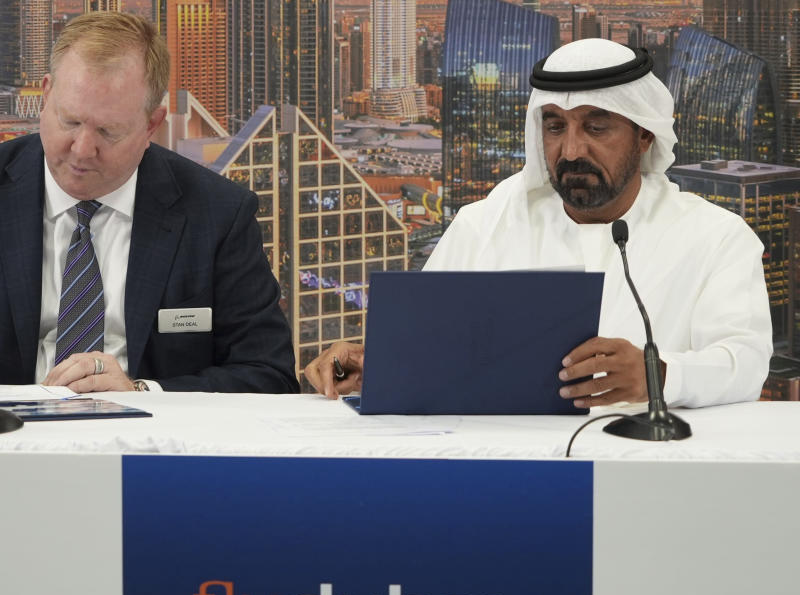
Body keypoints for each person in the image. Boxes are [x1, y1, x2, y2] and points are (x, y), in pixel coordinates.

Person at [305, 38, 772, 409]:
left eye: (596, 126)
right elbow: (430, 349)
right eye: (555, 126)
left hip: (648, 480)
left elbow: (745, 364)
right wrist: (381, 369)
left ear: (644, 134)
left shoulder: (716, 237)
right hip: (507, 477)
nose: (570, 151)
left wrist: (660, 376)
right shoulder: (484, 225)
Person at [0, 12, 298, 394]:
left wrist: (143, 392)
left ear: (152, 125)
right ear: (44, 95)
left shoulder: (218, 212)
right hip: (4, 448)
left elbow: (269, 373)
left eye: (109, 132)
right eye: (69, 120)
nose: (82, 149)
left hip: (150, 460)